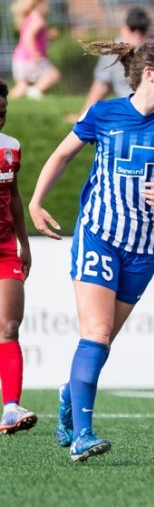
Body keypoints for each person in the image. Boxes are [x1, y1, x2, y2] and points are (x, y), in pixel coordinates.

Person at [28, 41, 154, 462]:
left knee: (101, 343)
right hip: (99, 235)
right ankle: (82, 434)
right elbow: (62, 155)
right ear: (150, 73)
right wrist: (35, 201)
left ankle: (70, 392)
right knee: (97, 334)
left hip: (143, 248)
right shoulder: (103, 113)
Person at [80, 7, 154, 120]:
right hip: (131, 106)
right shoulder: (114, 50)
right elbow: (101, 85)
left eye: (142, 29)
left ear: (149, 29)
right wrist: (84, 114)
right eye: (133, 29)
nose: (138, 34)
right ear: (124, 29)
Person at [0, 79, 35, 435]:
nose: (0, 118)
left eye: (3, 113)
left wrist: (25, 242)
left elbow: (13, 198)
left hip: (6, 248)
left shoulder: (11, 148)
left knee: (9, 327)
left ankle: (10, 408)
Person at [9, 0, 60, 100]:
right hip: (31, 58)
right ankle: (35, 92)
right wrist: (35, 54)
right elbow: (28, 37)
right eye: (46, 3)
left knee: (21, 86)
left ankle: (7, 101)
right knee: (53, 75)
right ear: (39, 3)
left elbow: (33, 35)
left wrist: (48, 34)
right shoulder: (38, 20)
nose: (48, 6)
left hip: (19, 59)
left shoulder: (28, 17)